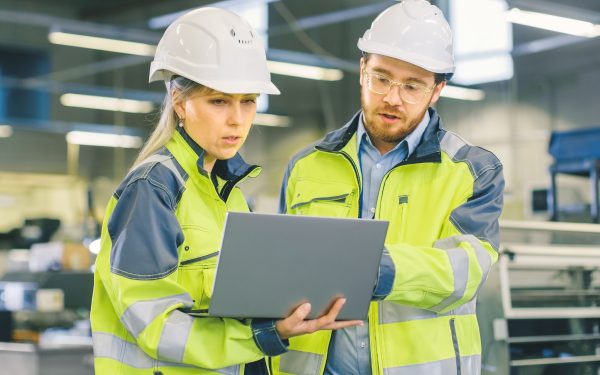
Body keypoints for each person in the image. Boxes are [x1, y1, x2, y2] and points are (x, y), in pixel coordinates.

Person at [90, 7, 361, 375]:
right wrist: (264, 335)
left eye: (248, 101)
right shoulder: (153, 189)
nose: (237, 119)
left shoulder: (229, 193)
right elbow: (156, 326)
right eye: (219, 101)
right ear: (179, 101)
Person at [275, 0, 505, 374]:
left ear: (437, 90)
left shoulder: (473, 169)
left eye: (412, 86)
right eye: (381, 78)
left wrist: (372, 268)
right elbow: (284, 269)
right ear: (363, 70)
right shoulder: (306, 165)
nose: (392, 98)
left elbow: (465, 273)